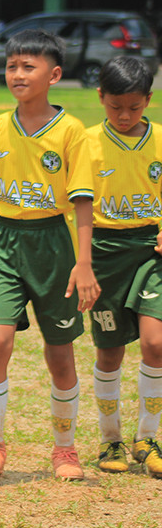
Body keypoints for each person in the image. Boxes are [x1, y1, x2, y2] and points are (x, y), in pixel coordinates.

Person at [0, 29, 99, 481]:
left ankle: (65, 450)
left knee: (60, 356)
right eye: (11, 65)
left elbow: (82, 202)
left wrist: (83, 262)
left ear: (53, 75)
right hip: (6, 242)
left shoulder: (72, 131)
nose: (17, 74)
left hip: (54, 245)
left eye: (28, 66)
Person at [84, 56, 162, 476]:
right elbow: (74, 205)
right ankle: (110, 438)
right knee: (110, 350)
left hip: (152, 250)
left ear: (149, 99)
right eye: (116, 107)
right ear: (101, 97)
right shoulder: (86, 143)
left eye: (134, 107)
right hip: (104, 253)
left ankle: (147, 437)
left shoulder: (160, 139)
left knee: (156, 344)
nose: (125, 116)